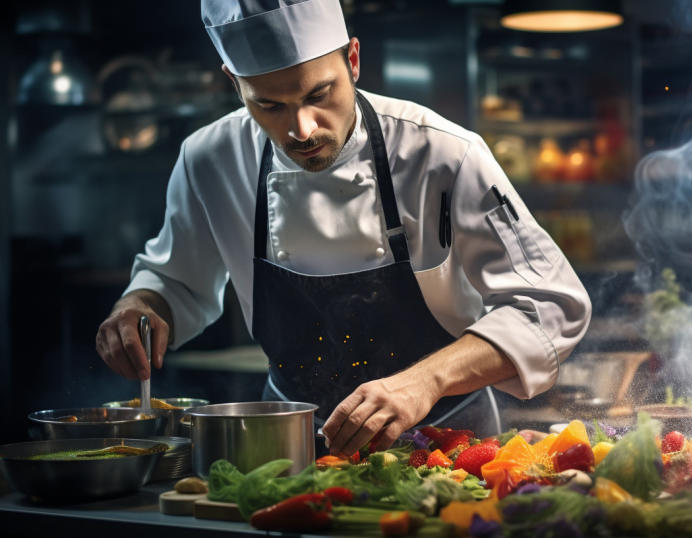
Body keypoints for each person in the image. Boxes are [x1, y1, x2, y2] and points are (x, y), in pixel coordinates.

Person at [95, 0, 591, 456]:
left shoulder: (443, 153)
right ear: (234, 82)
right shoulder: (209, 159)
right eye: (269, 105)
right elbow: (175, 280)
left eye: (319, 94)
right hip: (289, 444)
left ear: (353, 60)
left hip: (449, 442)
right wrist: (139, 305)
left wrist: (426, 381)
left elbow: (549, 305)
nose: (302, 129)